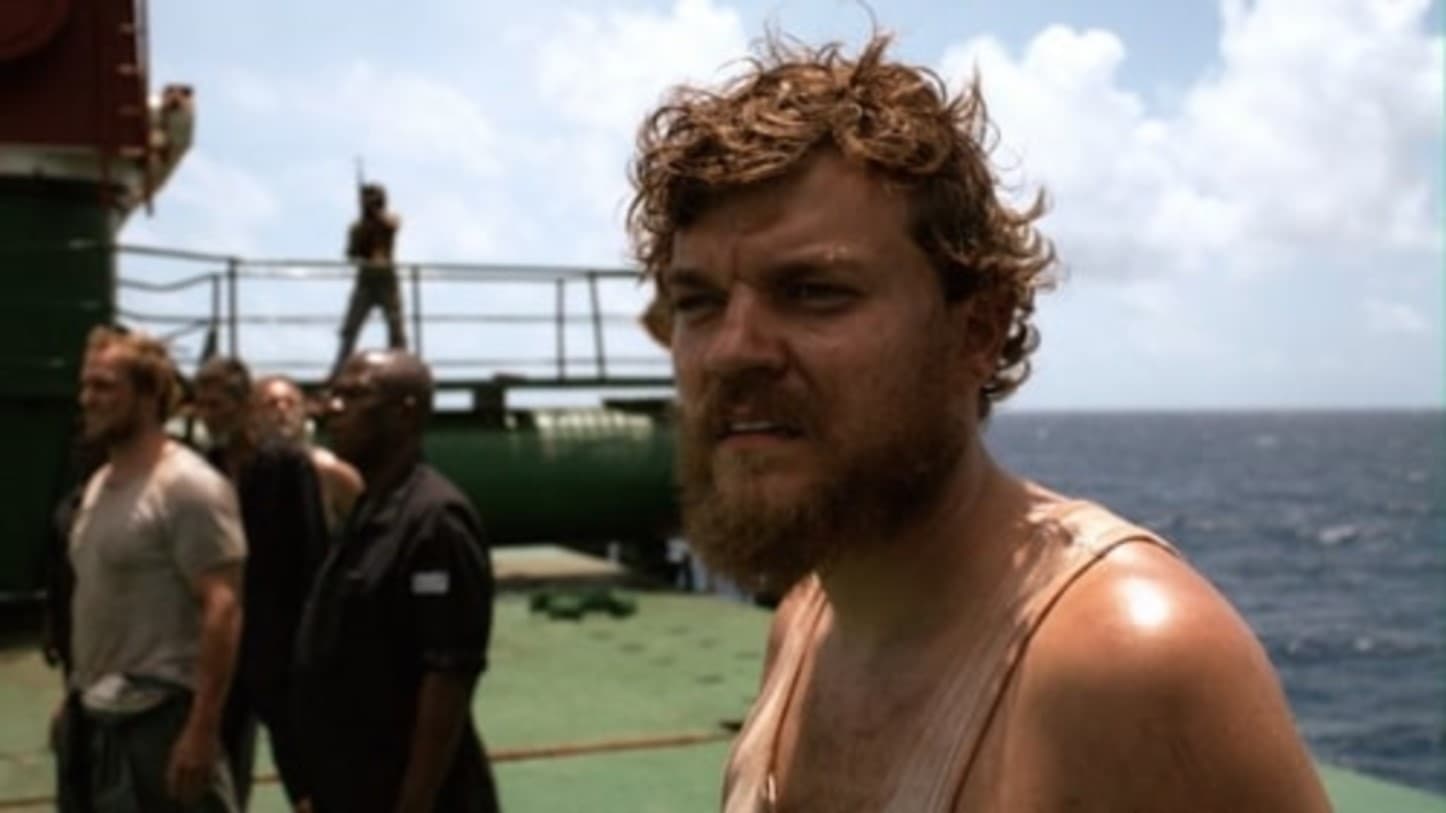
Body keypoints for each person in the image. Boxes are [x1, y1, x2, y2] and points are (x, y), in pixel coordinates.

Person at [625, 34, 1333, 811]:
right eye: (698, 301)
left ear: (978, 330)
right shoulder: (805, 624)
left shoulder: (1126, 663)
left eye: (814, 291)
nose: (732, 350)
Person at [294, 350, 500, 813]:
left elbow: (448, 673)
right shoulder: (369, 511)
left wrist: (414, 803)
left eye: (355, 395)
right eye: (333, 394)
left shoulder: (434, 521)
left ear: (404, 413)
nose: (332, 408)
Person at [57, 326, 245, 812]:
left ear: (147, 396)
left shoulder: (187, 486)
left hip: (162, 719)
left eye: (104, 386)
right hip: (96, 714)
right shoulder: (99, 485)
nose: (87, 399)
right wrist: (75, 698)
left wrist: (201, 731)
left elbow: (222, 608)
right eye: (85, 385)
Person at [193, 357, 331, 809]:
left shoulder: (287, 467)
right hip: (226, 646)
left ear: (243, 405)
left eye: (217, 404)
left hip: (282, 644)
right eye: (202, 405)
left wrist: (311, 647)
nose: (208, 415)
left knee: (304, 769)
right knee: (222, 768)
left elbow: (312, 557)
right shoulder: (203, 469)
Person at [253, 373, 364, 533]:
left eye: (291, 403)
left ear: (303, 411)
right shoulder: (240, 467)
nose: (282, 409)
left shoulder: (330, 470)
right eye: (271, 404)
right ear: (252, 414)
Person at [331, 182, 406, 379]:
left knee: (395, 327)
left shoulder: (390, 219)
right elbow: (351, 253)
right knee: (351, 328)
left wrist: (374, 212)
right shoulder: (357, 227)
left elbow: (392, 226)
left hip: (387, 279)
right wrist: (363, 234)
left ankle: (403, 369)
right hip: (365, 280)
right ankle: (339, 370)